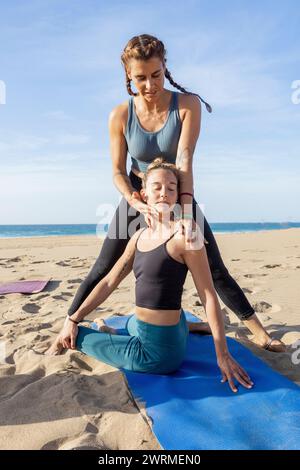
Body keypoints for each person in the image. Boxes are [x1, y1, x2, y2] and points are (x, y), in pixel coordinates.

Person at [66, 33, 285, 352]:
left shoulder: (186, 104)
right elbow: (116, 170)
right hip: (138, 196)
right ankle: (68, 321)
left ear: (164, 68)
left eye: (155, 75)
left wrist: (183, 211)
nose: (149, 85)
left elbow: (184, 160)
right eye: (140, 78)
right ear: (128, 75)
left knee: (213, 265)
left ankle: (259, 332)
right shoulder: (120, 115)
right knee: (105, 265)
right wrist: (133, 200)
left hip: (176, 191)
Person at [46, 159, 254, 393]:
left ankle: (183, 328)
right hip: (152, 326)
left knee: (78, 337)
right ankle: (191, 327)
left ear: (177, 195)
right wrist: (72, 318)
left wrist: (223, 355)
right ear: (143, 194)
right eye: (157, 187)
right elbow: (108, 281)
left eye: (171, 187)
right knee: (129, 322)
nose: (164, 193)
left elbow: (208, 295)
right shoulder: (138, 237)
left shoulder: (186, 236)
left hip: (158, 355)